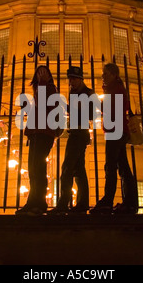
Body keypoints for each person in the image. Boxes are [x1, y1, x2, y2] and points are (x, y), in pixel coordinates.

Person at [90, 63, 138, 214]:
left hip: (115, 131)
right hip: (118, 131)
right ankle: (130, 202)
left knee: (111, 167)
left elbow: (111, 110)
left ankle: (107, 201)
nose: (103, 76)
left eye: (105, 73)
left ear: (113, 74)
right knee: (123, 167)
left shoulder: (115, 89)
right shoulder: (117, 88)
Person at [48, 66, 95, 215]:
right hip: (75, 132)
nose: (71, 82)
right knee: (78, 169)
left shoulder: (88, 93)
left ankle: (63, 204)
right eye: (70, 79)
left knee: (67, 168)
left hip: (80, 133)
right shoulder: (74, 93)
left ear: (80, 79)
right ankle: (82, 204)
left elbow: (91, 114)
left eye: (73, 79)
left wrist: (70, 107)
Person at [16, 65, 58, 216]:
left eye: (44, 72)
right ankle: (32, 201)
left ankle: (39, 203)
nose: (41, 75)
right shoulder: (40, 90)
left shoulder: (51, 89)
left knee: (38, 169)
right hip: (36, 133)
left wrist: (42, 84)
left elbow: (42, 106)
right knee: (33, 169)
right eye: (39, 73)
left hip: (44, 133)